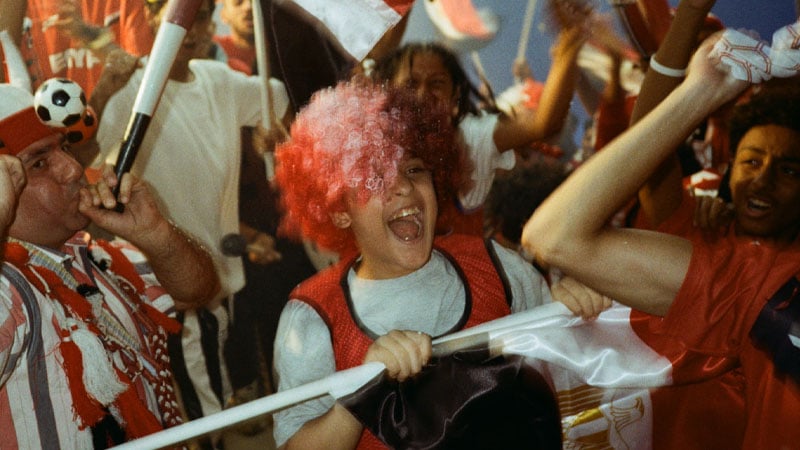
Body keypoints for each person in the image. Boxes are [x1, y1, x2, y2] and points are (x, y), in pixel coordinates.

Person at [270, 80, 603, 450]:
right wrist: (358, 395)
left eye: (413, 170)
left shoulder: (496, 267)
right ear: (339, 210)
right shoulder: (313, 317)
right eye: (375, 177)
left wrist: (574, 310)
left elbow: (571, 376)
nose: (403, 188)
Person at [522, 29, 800, 449]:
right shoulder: (759, 286)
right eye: (750, 161)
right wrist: (700, 91)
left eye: (789, 171)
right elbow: (555, 236)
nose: (763, 180)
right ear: (727, 172)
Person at [90, 0, 289, 439]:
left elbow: (277, 100)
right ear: (153, 17)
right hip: (173, 294)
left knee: (211, 415)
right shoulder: (133, 92)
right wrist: (103, 92)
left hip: (225, 287)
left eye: (201, 15)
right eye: (184, 14)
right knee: (203, 421)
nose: (194, 27)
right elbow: (84, 163)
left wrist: (274, 131)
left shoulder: (218, 81)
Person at [0, 82, 219, 447]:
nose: (72, 169)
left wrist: (156, 234)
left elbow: (199, 289)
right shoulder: (10, 287)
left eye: (65, 149)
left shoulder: (96, 256)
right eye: (39, 163)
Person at [373, 18, 586, 235]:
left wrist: (569, 46)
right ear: (389, 90)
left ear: (455, 94)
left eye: (436, 83)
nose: (422, 93)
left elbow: (544, 124)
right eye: (411, 83)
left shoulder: (473, 136)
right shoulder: (367, 137)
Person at [0, 0, 154, 95]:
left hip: (114, 134)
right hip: (44, 139)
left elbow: (141, 76)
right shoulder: (14, 6)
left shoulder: (131, 3)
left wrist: (89, 35)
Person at [213, 0, 255, 75]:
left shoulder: (278, 50)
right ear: (223, 15)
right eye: (238, 3)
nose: (249, 7)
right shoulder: (212, 48)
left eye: (254, 2)